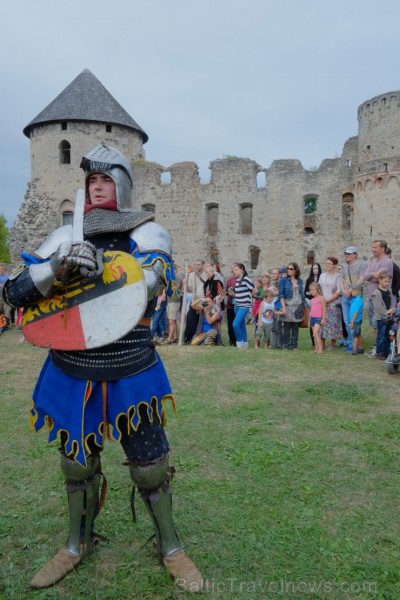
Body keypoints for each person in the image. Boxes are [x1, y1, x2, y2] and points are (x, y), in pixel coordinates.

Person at [2, 144, 203, 593]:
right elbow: (15, 294)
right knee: (76, 463)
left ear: (123, 184)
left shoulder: (146, 231)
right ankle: (76, 543)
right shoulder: (62, 236)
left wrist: (105, 270)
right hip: (72, 363)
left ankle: (170, 545)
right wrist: (57, 267)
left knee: (150, 466)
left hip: (131, 364)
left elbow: (151, 278)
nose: (97, 186)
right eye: (91, 180)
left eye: (106, 178)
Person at [360, 239, 393, 355]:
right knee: (374, 322)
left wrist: (370, 276)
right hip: (371, 295)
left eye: (375, 247)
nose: (372, 249)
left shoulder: (387, 262)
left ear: (382, 249)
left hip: (382, 297)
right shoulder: (373, 261)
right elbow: (366, 275)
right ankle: (378, 346)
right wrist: (370, 275)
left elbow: (379, 277)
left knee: (382, 322)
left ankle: (383, 349)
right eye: (372, 247)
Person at [339, 247, 366, 353]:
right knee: (346, 320)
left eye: (349, 254)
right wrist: (344, 291)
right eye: (345, 253)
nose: (346, 255)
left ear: (355, 254)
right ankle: (350, 343)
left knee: (355, 321)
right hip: (345, 296)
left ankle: (357, 345)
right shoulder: (345, 267)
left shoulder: (361, 265)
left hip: (355, 296)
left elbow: (361, 279)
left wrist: (351, 290)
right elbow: (341, 280)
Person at [279, 262, 305, 350]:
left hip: (298, 306)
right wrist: (283, 307)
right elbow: (281, 295)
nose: (288, 270)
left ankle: (294, 346)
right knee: (286, 327)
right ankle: (286, 346)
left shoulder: (300, 281)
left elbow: (301, 294)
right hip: (287, 306)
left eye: (291, 269)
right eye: (288, 268)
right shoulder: (283, 280)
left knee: (295, 327)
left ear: (296, 270)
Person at [228, 263, 255, 348]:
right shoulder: (237, 281)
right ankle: (245, 343)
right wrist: (233, 294)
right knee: (241, 325)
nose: (234, 271)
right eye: (233, 270)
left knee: (235, 324)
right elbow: (239, 294)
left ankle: (239, 343)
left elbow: (255, 290)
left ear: (242, 270)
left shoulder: (246, 279)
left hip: (244, 306)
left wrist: (249, 299)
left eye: (236, 270)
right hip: (237, 305)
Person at [319, 257, 342, 350]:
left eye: (329, 264)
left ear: (334, 265)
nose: (327, 265)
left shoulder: (338, 276)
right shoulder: (322, 275)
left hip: (333, 302)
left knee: (333, 322)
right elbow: (319, 287)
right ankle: (322, 343)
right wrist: (321, 298)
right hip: (322, 301)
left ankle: (332, 343)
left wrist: (328, 300)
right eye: (326, 263)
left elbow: (338, 291)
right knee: (322, 322)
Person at [372, 271, 394, 360]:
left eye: (388, 281)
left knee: (388, 335)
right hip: (381, 318)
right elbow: (378, 306)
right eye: (385, 281)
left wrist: (392, 309)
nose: (387, 283)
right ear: (379, 280)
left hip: (390, 317)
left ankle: (387, 351)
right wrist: (387, 312)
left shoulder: (389, 291)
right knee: (381, 336)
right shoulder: (376, 293)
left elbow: (392, 301)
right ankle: (380, 352)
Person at [184, 259, 207, 343]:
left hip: (204, 300)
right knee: (190, 319)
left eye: (199, 264)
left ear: (203, 265)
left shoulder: (206, 274)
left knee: (202, 320)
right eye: (196, 264)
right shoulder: (192, 275)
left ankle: (202, 337)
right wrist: (185, 284)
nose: (197, 266)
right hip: (194, 300)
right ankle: (189, 337)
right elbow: (189, 290)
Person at [304, 262, 322, 347]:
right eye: (314, 268)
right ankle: (314, 343)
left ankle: (320, 343)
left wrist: (315, 293)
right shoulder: (309, 279)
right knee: (311, 322)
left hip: (319, 302)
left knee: (319, 324)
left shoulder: (321, 278)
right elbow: (306, 292)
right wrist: (312, 293)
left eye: (317, 268)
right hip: (311, 302)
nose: (315, 270)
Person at [307, 282, 326, 354]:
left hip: (319, 318)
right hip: (312, 318)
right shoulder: (312, 300)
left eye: (313, 290)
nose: (312, 291)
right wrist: (309, 320)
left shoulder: (321, 298)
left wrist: (323, 318)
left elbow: (324, 308)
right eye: (311, 290)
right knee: (314, 334)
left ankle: (320, 350)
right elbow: (311, 310)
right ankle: (316, 348)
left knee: (315, 333)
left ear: (318, 290)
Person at [166, 268, 182, 344]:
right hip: (170, 302)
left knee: (171, 321)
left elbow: (175, 289)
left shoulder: (177, 279)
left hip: (174, 302)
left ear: (175, 271)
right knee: (173, 320)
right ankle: (175, 337)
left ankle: (169, 338)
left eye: (173, 271)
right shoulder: (168, 280)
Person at [348, 283, 365, 355]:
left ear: (359, 292)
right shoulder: (355, 299)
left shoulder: (358, 300)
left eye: (354, 291)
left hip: (356, 320)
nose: (351, 292)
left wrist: (352, 322)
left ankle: (354, 350)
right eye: (352, 290)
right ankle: (361, 348)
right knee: (358, 334)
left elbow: (356, 312)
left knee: (355, 335)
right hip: (356, 320)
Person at [225, 264, 237, 346]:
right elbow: (225, 292)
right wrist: (228, 291)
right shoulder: (229, 280)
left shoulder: (242, 279)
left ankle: (238, 340)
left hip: (239, 304)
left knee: (237, 324)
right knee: (230, 324)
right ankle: (232, 341)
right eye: (232, 268)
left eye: (234, 268)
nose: (233, 270)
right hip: (230, 305)